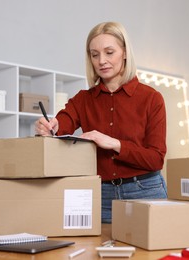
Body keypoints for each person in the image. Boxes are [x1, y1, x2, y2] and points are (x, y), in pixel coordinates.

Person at [35, 21, 167, 223]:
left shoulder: (151, 98)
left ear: (124, 52)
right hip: (100, 195)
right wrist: (50, 127)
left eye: (109, 52)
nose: (101, 61)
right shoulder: (83, 99)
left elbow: (156, 159)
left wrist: (114, 143)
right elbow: (62, 124)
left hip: (145, 192)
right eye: (94, 55)